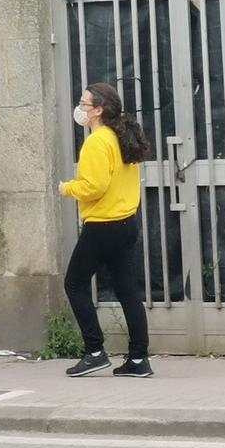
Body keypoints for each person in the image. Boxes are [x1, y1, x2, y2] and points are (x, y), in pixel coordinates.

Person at [58, 82, 153, 377]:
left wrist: (66, 188)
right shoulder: (120, 137)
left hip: (102, 225)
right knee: (128, 292)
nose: (80, 108)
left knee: (74, 283)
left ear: (98, 110)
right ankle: (138, 360)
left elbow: (94, 187)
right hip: (126, 223)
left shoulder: (98, 142)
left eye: (84, 103)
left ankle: (95, 351)